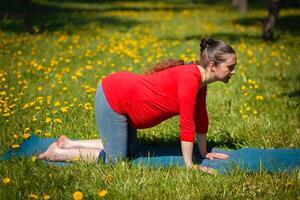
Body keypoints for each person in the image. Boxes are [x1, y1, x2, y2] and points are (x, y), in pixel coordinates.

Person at [38, 38, 237, 173]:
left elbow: (200, 117)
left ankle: (68, 143)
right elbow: (186, 123)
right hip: (115, 98)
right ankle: (58, 154)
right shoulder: (190, 78)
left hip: (127, 101)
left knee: (130, 148)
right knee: (116, 161)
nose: (232, 72)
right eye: (230, 67)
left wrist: (204, 153)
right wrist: (189, 165)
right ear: (212, 66)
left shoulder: (200, 83)